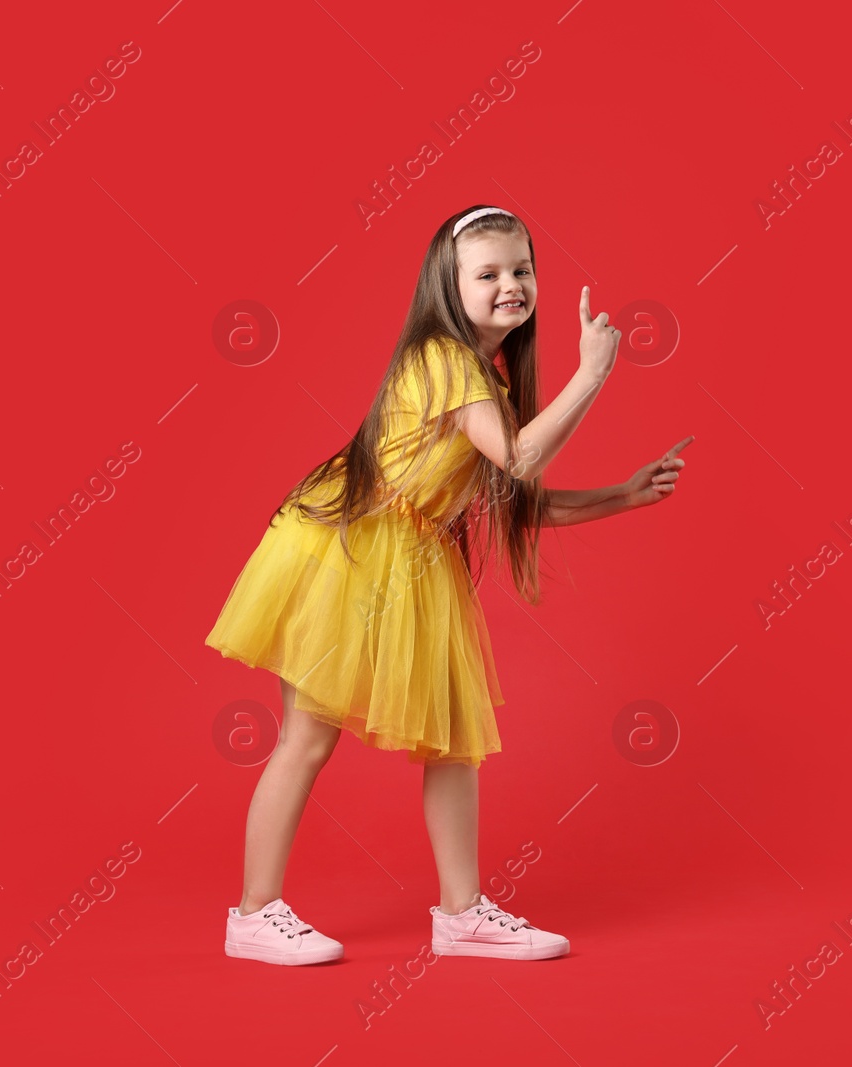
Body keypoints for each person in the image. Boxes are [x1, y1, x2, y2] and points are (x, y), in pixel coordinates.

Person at [204, 204, 695, 965]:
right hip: (345, 550)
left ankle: (461, 914)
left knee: (454, 742)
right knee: (306, 737)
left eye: (521, 269)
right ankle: (253, 912)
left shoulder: (486, 381)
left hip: (415, 559)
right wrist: (593, 370)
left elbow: (513, 496)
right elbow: (523, 459)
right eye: (489, 273)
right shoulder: (443, 360)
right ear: (448, 285)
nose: (511, 285)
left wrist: (622, 495)